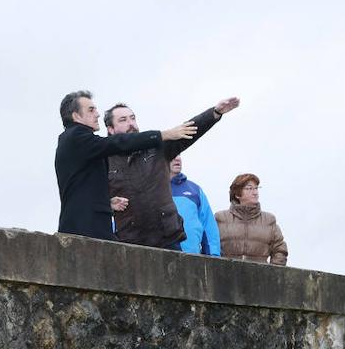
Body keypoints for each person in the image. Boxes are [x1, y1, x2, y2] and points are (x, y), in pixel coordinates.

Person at [54, 91, 195, 240]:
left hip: (90, 227)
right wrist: (163, 135)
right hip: (83, 230)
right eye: (91, 110)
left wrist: (105, 202)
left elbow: (81, 186)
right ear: (76, 116)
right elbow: (119, 143)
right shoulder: (75, 137)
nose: (97, 114)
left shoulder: (81, 143)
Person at [104, 97, 239, 250]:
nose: (131, 123)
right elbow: (92, 196)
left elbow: (186, 131)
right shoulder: (104, 160)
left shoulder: (155, 146)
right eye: (123, 120)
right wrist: (108, 204)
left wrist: (214, 113)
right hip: (129, 240)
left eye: (133, 118)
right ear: (111, 129)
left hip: (167, 238)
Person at [216, 173, 288, 265]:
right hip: (225, 276)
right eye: (249, 188)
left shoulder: (269, 220)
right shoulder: (220, 218)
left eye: (256, 188)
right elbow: (210, 246)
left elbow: (280, 249)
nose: (255, 192)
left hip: (260, 277)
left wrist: (272, 273)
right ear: (237, 194)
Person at [168, 155, 219, 256]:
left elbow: (209, 228)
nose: (177, 158)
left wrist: (214, 257)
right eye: (172, 155)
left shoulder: (195, 190)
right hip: (159, 259)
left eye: (179, 154)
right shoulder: (152, 190)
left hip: (192, 261)